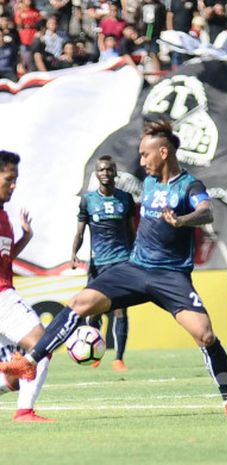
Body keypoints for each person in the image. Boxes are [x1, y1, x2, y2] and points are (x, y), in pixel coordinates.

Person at [0, 121, 227, 417]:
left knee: (206, 335)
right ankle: (30, 361)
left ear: (163, 152)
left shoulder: (189, 186)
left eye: (145, 155)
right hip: (135, 268)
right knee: (79, 303)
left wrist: (184, 220)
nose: (141, 161)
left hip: (171, 275)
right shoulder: (147, 183)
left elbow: (206, 210)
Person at [0, 150, 53, 422]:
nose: (14, 185)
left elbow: (5, 258)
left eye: (16, 179)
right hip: (2, 297)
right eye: (9, 178)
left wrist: (25, 238)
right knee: (41, 345)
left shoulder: (4, 216)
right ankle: (24, 412)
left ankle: (22, 404)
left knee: (13, 375)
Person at [71, 156, 136, 372]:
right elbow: (80, 231)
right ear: (96, 173)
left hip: (121, 261)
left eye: (109, 169)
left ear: (115, 173)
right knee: (94, 311)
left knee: (120, 310)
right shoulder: (87, 200)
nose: (105, 173)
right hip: (98, 263)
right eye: (101, 170)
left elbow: (131, 230)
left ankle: (119, 358)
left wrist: (137, 255)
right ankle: (95, 354)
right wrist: (73, 253)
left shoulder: (126, 199)